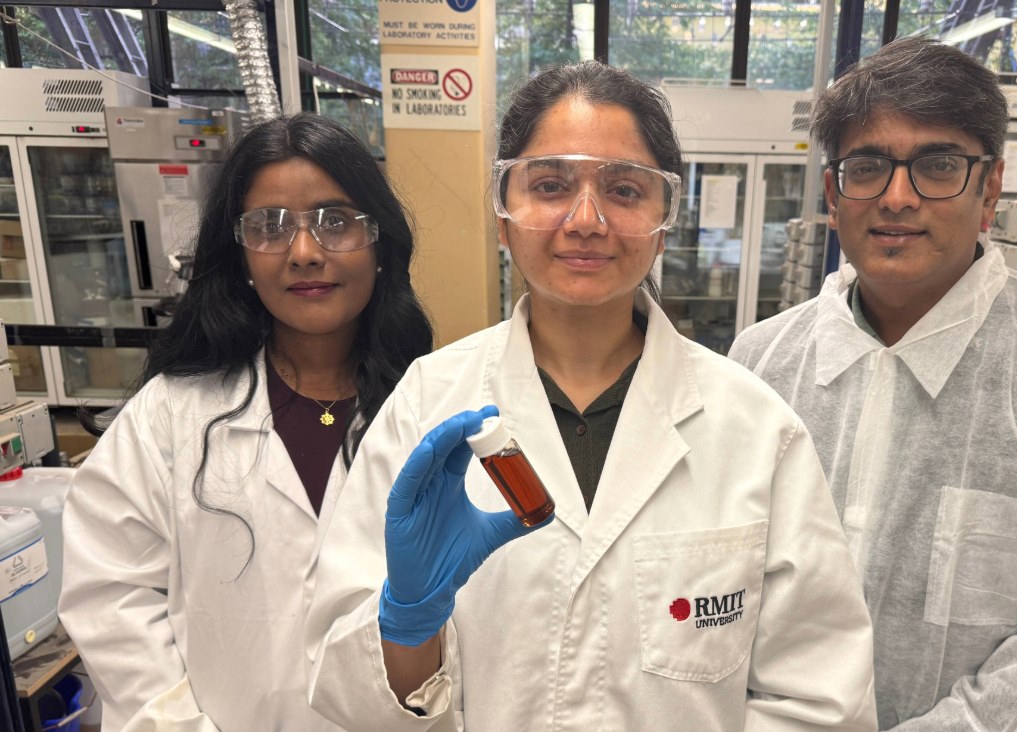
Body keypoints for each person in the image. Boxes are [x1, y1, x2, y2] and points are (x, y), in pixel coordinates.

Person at [304, 61, 877, 730]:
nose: (585, 220)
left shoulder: (755, 429)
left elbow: (821, 698)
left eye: (624, 190)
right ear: (503, 216)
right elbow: (341, 691)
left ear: (664, 221)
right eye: (550, 186)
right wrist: (408, 623)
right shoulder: (426, 403)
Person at [729, 36, 1017, 730]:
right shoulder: (761, 360)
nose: (898, 198)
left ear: (990, 188)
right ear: (833, 194)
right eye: (867, 167)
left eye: (938, 165)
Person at [58, 112, 433, 730]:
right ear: (240, 256)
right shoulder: (170, 415)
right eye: (269, 227)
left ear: (379, 244)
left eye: (336, 221)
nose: (305, 253)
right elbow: (110, 595)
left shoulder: (430, 408)